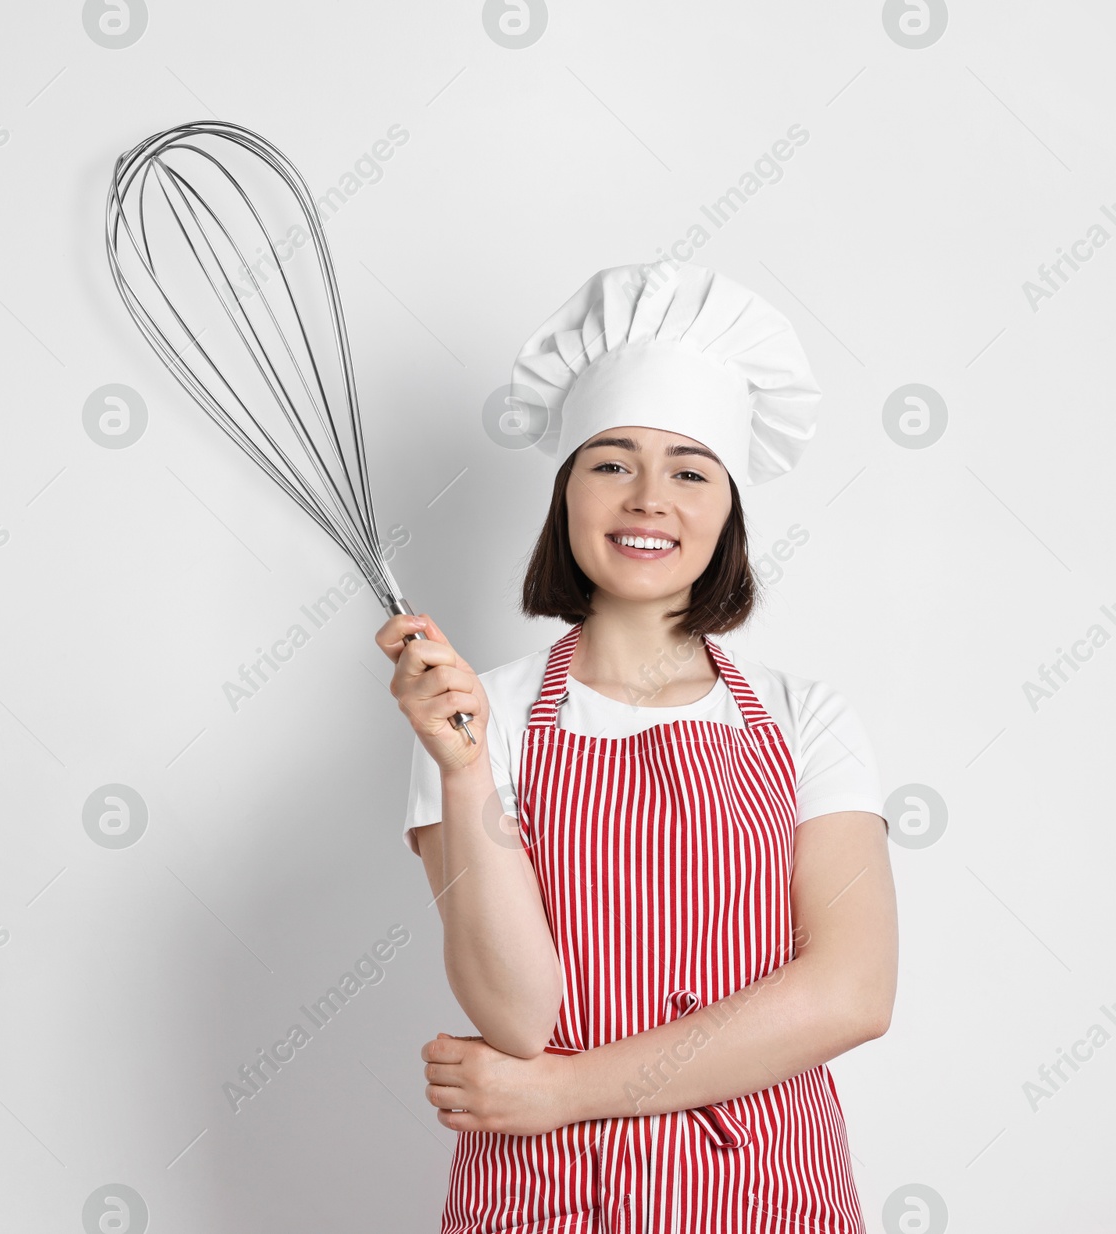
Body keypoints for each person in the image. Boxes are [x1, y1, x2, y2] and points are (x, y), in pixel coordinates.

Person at [375, 261, 897, 1234]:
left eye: (690, 469)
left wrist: (563, 1094)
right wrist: (462, 766)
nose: (648, 496)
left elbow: (850, 993)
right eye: (610, 461)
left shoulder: (803, 719)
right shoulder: (474, 718)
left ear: (728, 511)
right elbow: (517, 1015)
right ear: (565, 492)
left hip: (762, 1197)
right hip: (544, 1200)